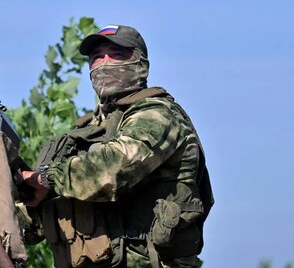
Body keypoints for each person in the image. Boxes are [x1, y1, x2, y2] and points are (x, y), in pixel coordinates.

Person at [21, 24, 213, 268]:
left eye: (117, 55)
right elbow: (34, 224)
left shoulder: (158, 115)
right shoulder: (85, 132)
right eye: (97, 57)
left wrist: (47, 178)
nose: (105, 63)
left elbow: (112, 170)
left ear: (141, 63)